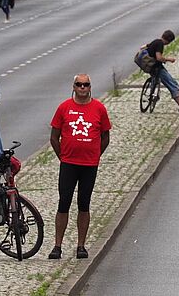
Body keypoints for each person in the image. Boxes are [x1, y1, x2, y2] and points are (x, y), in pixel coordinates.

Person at [48, 73, 111, 260]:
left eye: (86, 85)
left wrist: (95, 154)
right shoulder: (64, 108)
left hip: (89, 165)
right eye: (79, 85)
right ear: (73, 87)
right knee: (63, 203)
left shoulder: (99, 108)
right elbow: (54, 136)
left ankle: (81, 245)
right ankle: (57, 246)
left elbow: (105, 136)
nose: (82, 88)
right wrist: (63, 156)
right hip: (68, 164)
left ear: (90, 87)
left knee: (84, 204)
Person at [138, 30, 179, 114]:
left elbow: (143, 47)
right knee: (172, 84)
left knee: (170, 82)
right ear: (169, 41)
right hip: (156, 68)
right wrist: (168, 59)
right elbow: (159, 58)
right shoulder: (160, 44)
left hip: (151, 67)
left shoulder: (156, 41)